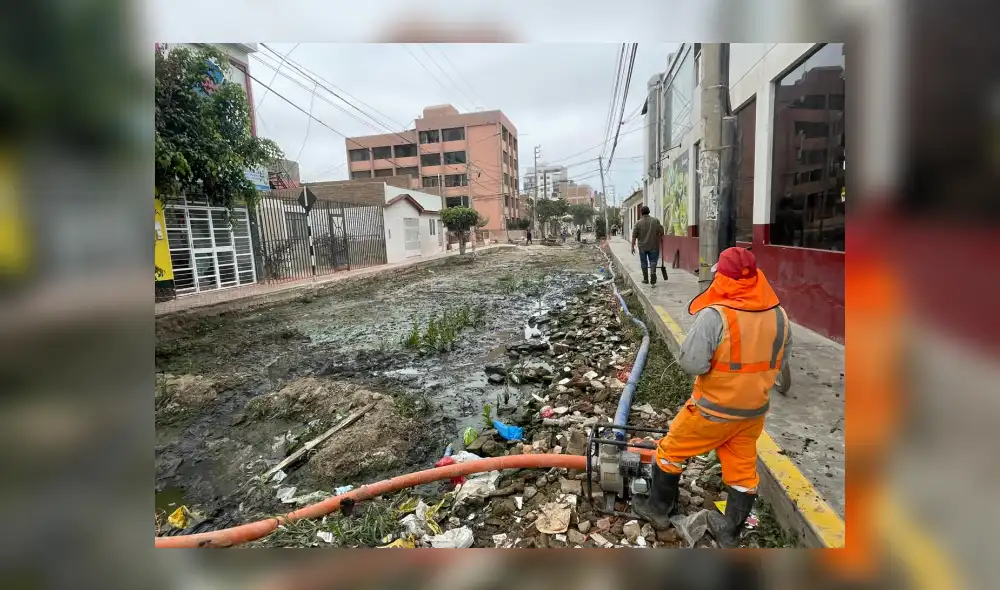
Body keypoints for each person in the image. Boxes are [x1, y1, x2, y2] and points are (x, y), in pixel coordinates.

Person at [632, 247, 792, 548]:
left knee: (670, 451)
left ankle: (658, 510)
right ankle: (729, 530)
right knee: (743, 470)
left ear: (724, 277)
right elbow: (781, 364)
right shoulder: (780, 316)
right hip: (752, 413)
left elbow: (692, 363)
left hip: (712, 411)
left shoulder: (715, 315)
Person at [630, 206, 665, 288]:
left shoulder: (638, 223)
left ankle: (645, 279)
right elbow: (662, 232)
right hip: (654, 246)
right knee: (653, 261)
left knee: (643, 262)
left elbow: (634, 236)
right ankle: (653, 273)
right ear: (649, 211)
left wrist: (632, 246)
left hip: (642, 247)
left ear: (641, 213)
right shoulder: (655, 221)